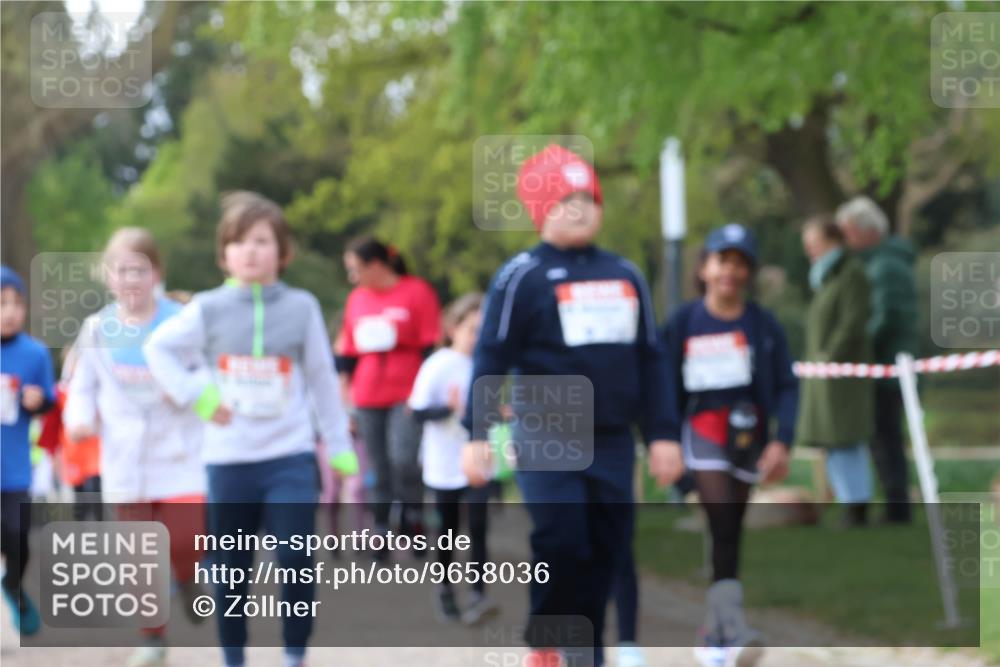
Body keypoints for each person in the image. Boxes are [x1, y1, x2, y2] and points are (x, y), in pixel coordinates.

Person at [461, 144, 684, 667]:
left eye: (588, 197)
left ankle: (586, 654)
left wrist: (664, 435)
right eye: (565, 199)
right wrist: (477, 433)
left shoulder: (626, 275)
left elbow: (651, 361)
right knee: (562, 540)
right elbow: (492, 355)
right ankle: (546, 638)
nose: (579, 208)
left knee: (605, 550)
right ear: (541, 210)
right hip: (546, 434)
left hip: (611, 441)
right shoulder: (521, 276)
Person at [145, 192, 358, 667]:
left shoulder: (302, 307)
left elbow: (323, 379)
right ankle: (233, 657)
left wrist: (339, 444)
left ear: (282, 252)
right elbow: (159, 349)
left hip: (290, 457)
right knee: (230, 570)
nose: (251, 251)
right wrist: (198, 395)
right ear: (224, 254)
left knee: (296, 560)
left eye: (261, 241)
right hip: (229, 461)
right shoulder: (207, 307)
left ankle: (293, 654)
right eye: (239, 242)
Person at [63, 228, 208, 666]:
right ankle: (152, 639)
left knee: (186, 540)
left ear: (157, 273)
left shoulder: (182, 321)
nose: (131, 280)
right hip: (125, 457)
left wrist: (183, 389)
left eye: (139, 270)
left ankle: (186, 577)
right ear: (109, 278)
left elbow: (207, 374)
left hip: (179, 452)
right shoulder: (97, 329)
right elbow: (82, 386)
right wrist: (79, 420)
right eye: (121, 271)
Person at [659, 224, 797, 667]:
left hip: (748, 438)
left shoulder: (763, 325)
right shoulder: (683, 322)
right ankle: (731, 626)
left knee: (731, 528)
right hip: (701, 434)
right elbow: (662, 384)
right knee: (720, 517)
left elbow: (786, 386)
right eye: (723, 261)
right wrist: (664, 440)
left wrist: (783, 440)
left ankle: (715, 633)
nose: (730, 272)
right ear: (705, 267)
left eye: (740, 264)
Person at [337, 237, 441, 558]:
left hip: (406, 391)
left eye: (356, 269)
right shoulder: (357, 299)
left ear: (376, 265)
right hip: (368, 392)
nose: (352, 277)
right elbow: (347, 354)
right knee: (378, 467)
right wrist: (347, 399)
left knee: (403, 458)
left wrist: (425, 392)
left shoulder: (416, 292)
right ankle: (380, 528)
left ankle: (412, 514)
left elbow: (430, 347)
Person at [408, 292, 499, 626]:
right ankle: (445, 588)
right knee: (448, 529)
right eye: (473, 329)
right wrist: (451, 409)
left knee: (478, 527)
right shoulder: (439, 364)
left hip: (478, 459)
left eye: (484, 330)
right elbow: (416, 411)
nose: (478, 337)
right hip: (444, 462)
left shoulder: (488, 364)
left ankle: (478, 593)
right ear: (453, 328)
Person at [836, 196, 917, 524]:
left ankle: (897, 509)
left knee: (887, 438)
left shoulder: (884, 266)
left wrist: (855, 349)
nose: (846, 241)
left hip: (888, 368)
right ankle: (894, 506)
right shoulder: (875, 264)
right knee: (882, 438)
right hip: (881, 365)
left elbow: (886, 317)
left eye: (850, 232)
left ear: (868, 232)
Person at [797, 216, 874, 527]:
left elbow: (852, 321)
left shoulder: (851, 275)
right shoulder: (826, 278)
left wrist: (831, 355)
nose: (811, 251)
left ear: (834, 241)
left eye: (815, 243)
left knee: (847, 438)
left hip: (842, 376)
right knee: (833, 441)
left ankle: (856, 507)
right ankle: (845, 502)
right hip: (825, 376)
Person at [0, 266, 56, 637]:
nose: (10, 311)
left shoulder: (34, 353)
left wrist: (38, 402)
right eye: (2, 303)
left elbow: (49, 400)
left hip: (15, 469)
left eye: (17, 303)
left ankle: (13, 586)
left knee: (18, 540)